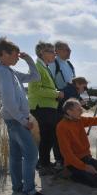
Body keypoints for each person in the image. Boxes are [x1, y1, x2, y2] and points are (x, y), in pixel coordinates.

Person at [0, 37, 46, 195]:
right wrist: (23, 120)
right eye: (15, 54)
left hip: (15, 118)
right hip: (16, 120)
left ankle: (18, 187)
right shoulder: (2, 72)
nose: (17, 57)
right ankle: (29, 190)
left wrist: (28, 60)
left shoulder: (10, 72)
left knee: (15, 155)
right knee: (31, 154)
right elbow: (8, 101)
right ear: (3, 54)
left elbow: (35, 77)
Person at [28, 41, 65, 175]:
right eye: (52, 52)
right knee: (47, 137)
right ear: (42, 53)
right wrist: (56, 93)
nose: (55, 54)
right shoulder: (37, 67)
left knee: (48, 137)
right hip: (41, 107)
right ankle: (43, 165)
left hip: (46, 107)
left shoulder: (44, 66)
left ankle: (45, 163)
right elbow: (35, 89)